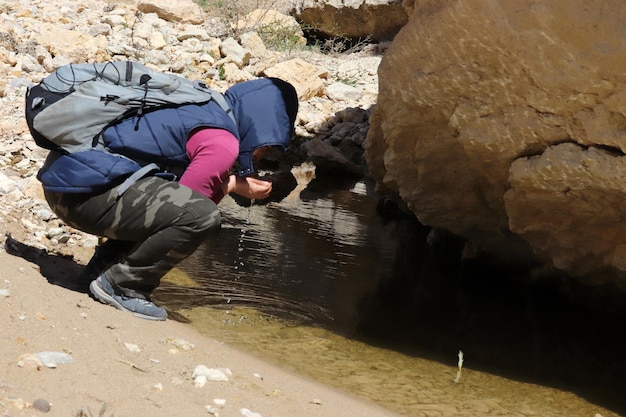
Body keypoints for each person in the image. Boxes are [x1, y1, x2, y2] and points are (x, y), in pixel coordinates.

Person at [37, 76, 299, 321]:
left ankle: (100, 272)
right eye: (266, 143)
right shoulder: (223, 142)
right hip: (78, 198)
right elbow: (189, 205)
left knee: (160, 197)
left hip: (64, 183)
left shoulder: (202, 106)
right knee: (200, 217)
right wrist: (232, 185)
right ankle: (123, 285)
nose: (261, 154)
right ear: (261, 125)